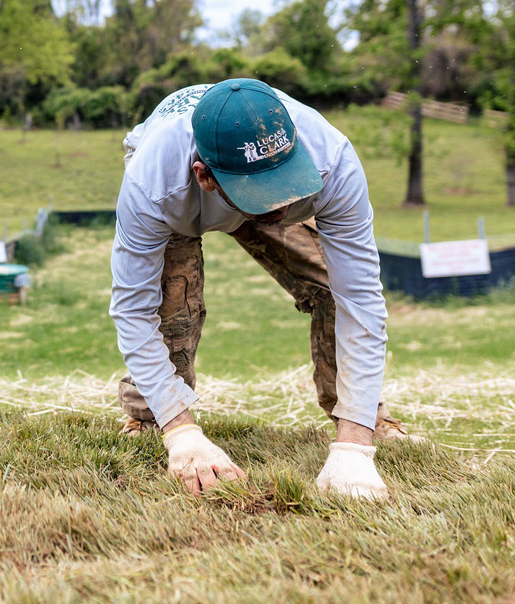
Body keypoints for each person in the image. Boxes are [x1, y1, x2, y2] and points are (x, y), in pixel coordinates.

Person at [111, 78, 409, 499]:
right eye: (262, 194)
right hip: (181, 206)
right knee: (170, 305)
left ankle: (362, 418)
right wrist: (182, 431)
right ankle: (152, 418)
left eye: (286, 181)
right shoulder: (152, 185)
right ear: (205, 176)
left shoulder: (332, 158)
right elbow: (133, 308)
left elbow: (359, 296)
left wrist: (355, 447)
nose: (279, 204)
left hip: (252, 180)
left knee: (328, 284)